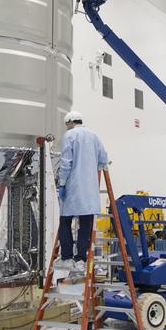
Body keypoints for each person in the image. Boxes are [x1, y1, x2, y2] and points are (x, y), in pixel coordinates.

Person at [56, 110, 108, 278]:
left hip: (73, 186)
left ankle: (66, 258)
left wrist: (62, 183)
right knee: (86, 223)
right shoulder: (94, 136)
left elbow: (66, 163)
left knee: (65, 221)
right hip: (90, 189)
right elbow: (103, 159)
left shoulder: (69, 136)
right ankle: (81, 259)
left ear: (69, 122)